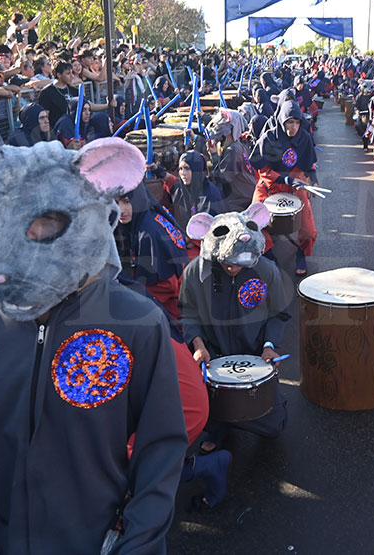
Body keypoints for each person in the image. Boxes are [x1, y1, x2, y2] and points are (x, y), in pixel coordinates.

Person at [0, 132, 187, 554]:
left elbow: (160, 449)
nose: (8, 253)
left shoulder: (136, 323)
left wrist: (137, 543)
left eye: (45, 223)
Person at [181, 204, 291, 455]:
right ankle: (219, 425)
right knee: (211, 415)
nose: (233, 268)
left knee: (274, 427)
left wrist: (269, 345)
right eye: (227, 262)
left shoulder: (266, 271)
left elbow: (278, 313)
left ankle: (244, 415)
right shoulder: (194, 272)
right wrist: (198, 345)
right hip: (214, 355)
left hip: (254, 354)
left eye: (239, 262)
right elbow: (187, 312)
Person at [249, 99, 318, 275]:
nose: (293, 127)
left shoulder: (304, 138)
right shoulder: (269, 138)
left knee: (309, 230)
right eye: (289, 122)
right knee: (253, 222)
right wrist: (284, 179)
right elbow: (263, 170)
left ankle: (301, 253)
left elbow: (309, 164)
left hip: (295, 184)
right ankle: (269, 255)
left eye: (297, 122)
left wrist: (314, 179)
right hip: (270, 184)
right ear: (282, 121)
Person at [116, 181, 190, 321]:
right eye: (116, 202)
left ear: (138, 199)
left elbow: (166, 286)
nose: (120, 210)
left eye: (126, 201)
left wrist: (133, 298)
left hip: (173, 311)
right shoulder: (150, 214)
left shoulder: (147, 234)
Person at [207, 109, 256, 211]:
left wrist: (214, 156)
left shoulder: (233, 149)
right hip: (245, 195)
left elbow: (222, 178)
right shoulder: (238, 144)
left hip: (241, 200)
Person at [170, 150, 226, 232]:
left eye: (187, 168)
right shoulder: (182, 190)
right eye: (180, 169)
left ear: (196, 170)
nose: (183, 173)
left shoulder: (211, 195)